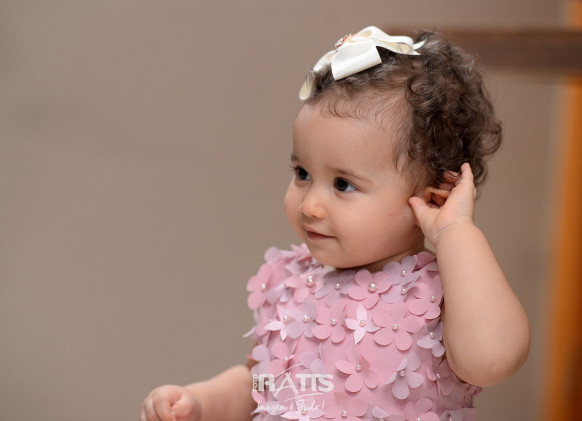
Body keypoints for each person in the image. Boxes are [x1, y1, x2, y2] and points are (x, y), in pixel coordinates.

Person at [140, 26, 530, 421]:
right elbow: (262, 385)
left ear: (433, 199)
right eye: (302, 173)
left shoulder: (442, 293)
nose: (310, 205)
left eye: (343, 184)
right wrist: (200, 402)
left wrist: (454, 232)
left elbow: (492, 358)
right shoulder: (291, 283)